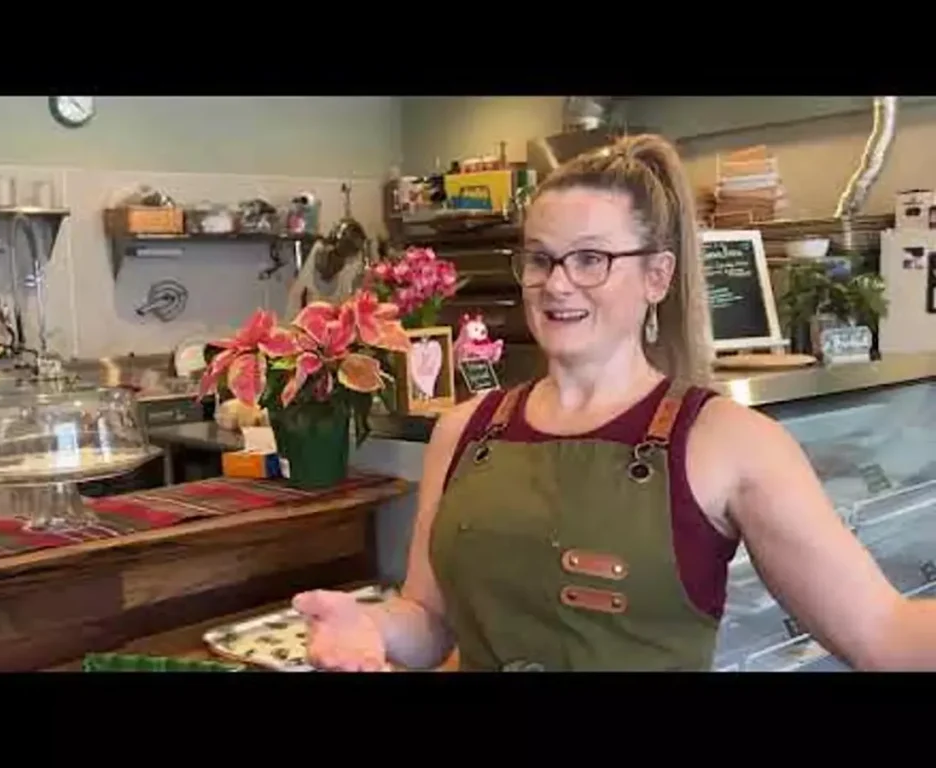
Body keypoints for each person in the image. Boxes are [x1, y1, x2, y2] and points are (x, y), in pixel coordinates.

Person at [292, 133, 936, 672]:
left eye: (591, 259)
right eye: (540, 259)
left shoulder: (727, 441)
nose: (558, 283)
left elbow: (885, 635)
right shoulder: (464, 431)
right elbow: (429, 622)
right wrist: (375, 627)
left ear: (657, 276)